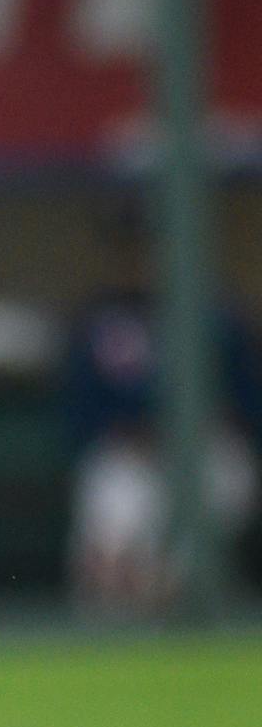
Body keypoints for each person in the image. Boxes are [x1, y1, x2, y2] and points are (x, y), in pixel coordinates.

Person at [61, 214, 261, 616]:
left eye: (146, 251)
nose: (137, 263)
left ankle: (174, 586)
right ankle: (123, 589)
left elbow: (248, 403)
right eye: (126, 252)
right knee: (113, 503)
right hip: (131, 455)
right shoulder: (98, 320)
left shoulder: (217, 313)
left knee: (223, 482)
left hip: (210, 450)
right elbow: (79, 415)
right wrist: (131, 434)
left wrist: (206, 427)